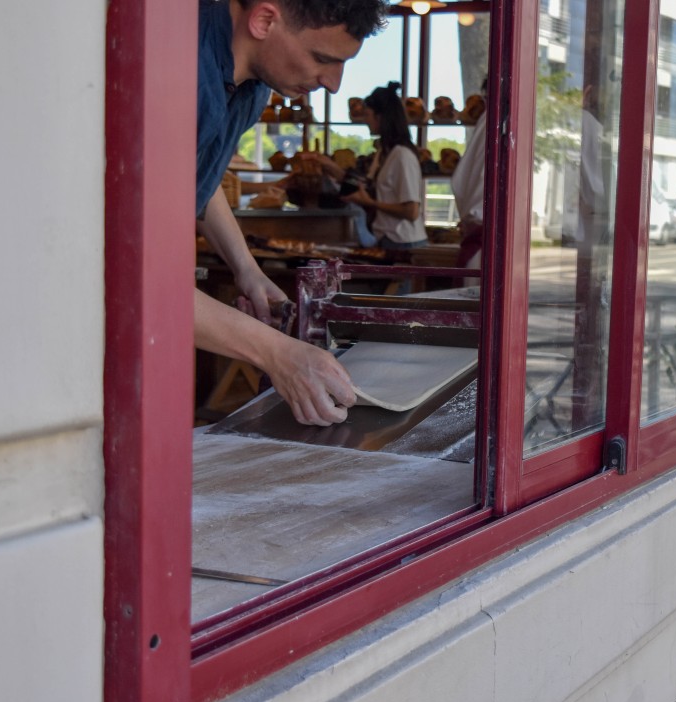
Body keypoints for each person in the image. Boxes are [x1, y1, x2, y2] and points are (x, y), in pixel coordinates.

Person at [194, 0, 389, 426]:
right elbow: (131, 279)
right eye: (322, 58)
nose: (334, 84)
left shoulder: (252, 89)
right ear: (264, 20)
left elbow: (194, 181)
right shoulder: (182, 74)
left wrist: (246, 268)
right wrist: (276, 354)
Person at [308, 82, 428, 251]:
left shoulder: (402, 155)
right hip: (389, 239)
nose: (365, 120)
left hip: (404, 243)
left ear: (380, 117)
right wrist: (330, 167)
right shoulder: (385, 152)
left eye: (367, 115)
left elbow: (411, 211)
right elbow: (365, 186)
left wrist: (370, 203)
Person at [449, 79, 488, 278]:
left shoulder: (493, 120)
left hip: (481, 235)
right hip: (483, 237)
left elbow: (462, 182)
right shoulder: (495, 119)